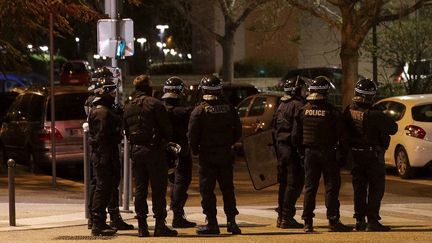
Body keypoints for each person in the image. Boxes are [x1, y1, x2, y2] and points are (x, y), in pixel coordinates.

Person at [292, 76, 352, 233]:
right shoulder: (332, 111)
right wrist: (343, 156)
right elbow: (343, 137)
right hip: (328, 153)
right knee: (331, 187)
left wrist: (302, 153)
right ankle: (333, 220)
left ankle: (307, 222)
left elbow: (295, 137)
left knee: (310, 188)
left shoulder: (303, 111)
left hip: (309, 154)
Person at [123, 74, 178, 237]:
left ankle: (142, 226)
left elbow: (126, 131)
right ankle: (160, 225)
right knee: (158, 189)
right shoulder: (155, 104)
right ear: (147, 87)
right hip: (154, 151)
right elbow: (167, 130)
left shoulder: (128, 106)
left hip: (137, 151)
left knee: (140, 189)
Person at [188, 75, 242, 235]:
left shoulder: (199, 111)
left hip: (207, 155)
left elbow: (192, 135)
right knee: (227, 189)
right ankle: (232, 222)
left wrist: (195, 150)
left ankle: (212, 223)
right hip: (225, 154)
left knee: (207, 190)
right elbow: (237, 131)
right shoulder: (229, 108)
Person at [343, 79, 397, 232]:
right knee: (376, 189)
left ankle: (359, 220)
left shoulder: (349, 111)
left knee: (359, 188)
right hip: (373, 156)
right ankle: (372, 220)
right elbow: (393, 128)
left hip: (355, 156)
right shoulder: (376, 114)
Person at [85, 68, 133, 232]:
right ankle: (98, 221)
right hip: (104, 154)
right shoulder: (101, 112)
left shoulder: (104, 109)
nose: (114, 93)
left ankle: (100, 220)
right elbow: (103, 135)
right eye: (111, 89)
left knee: (107, 186)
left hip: (105, 153)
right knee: (102, 187)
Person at [161, 76, 197, 228]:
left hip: (163, 151)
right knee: (181, 183)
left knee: (167, 184)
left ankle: (163, 218)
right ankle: (177, 215)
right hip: (181, 151)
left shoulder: (159, 110)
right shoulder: (185, 112)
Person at [273, 77, 306, 229]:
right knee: (294, 183)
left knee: (284, 183)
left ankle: (281, 216)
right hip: (292, 150)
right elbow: (297, 132)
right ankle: (287, 217)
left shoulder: (281, 105)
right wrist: (300, 151)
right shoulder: (298, 106)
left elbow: (275, 128)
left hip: (281, 148)